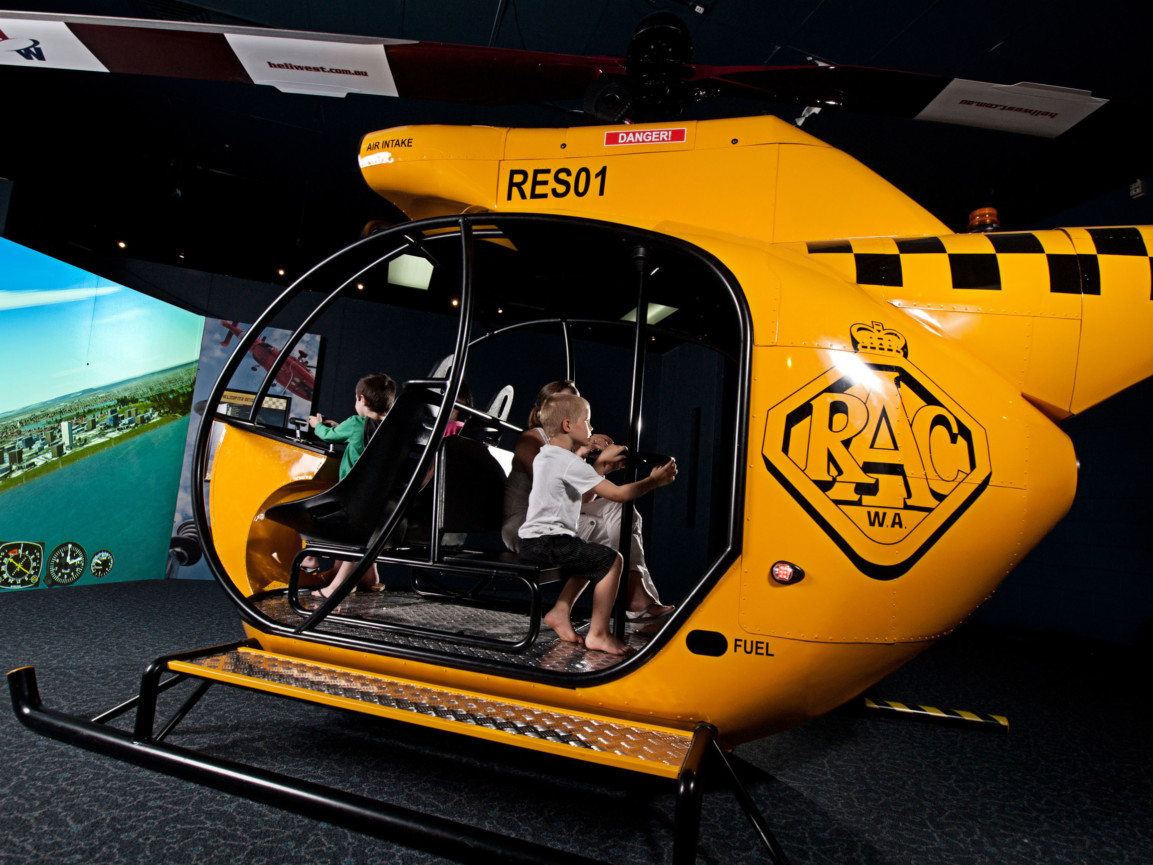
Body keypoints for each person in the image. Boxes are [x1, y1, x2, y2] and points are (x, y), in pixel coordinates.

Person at [518, 393, 677, 655]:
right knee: (612, 560)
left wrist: (599, 467)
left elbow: (588, 496)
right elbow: (618, 494)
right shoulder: (568, 462)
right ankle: (599, 634)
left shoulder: (548, 456)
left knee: (591, 552)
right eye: (588, 422)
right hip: (548, 541)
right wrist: (654, 481)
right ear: (568, 425)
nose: (592, 429)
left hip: (535, 540)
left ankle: (559, 611)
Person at [303, 372, 396, 599]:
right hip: (379, 500)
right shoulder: (393, 429)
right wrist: (340, 428)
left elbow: (327, 435)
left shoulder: (356, 424)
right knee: (363, 534)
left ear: (362, 399)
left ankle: (311, 559)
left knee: (311, 512)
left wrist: (317, 424)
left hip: (351, 498)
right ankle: (370, 579)